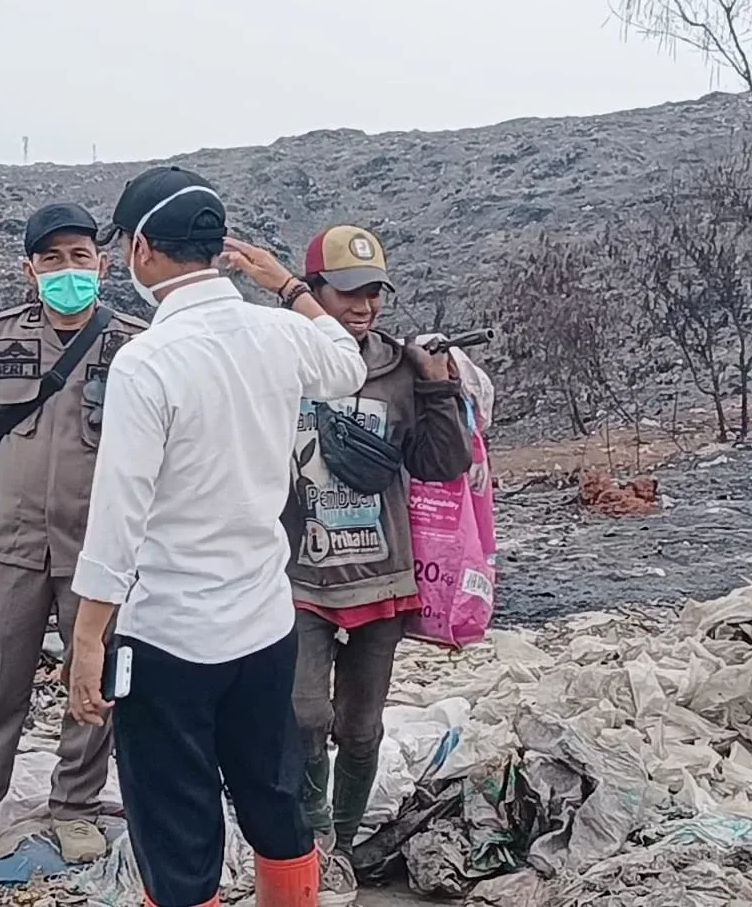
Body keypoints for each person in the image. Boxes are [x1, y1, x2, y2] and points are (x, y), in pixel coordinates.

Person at [63, 166, 368, 907]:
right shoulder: (275, 333)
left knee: (177, 826)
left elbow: (119, 516)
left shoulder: (148, 362)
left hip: (168, 636)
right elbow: (349, 366)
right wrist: (291, 288)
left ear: (141, 250)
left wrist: (87, 640)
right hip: (264, 625)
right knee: (274, 802)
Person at [0, 202, 147, 885]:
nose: (66, 271)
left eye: (79, 257)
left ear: (103, 265)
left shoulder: (136, 344)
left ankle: (76, 806)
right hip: (12, 551)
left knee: (94, 687)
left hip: (101, 554)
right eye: (50, 259)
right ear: (30, 268)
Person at [287, 226, 472, 887]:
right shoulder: (278, 359)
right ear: (311, 293)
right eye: (346, 293)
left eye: (372, 293)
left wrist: (436, 388)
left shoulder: (399, 366)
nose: (362, 306)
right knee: (306, 715)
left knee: (360, 729)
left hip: (380, 573)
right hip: (297, 574)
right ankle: (311, 842)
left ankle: (340, 841)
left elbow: (441, 464)